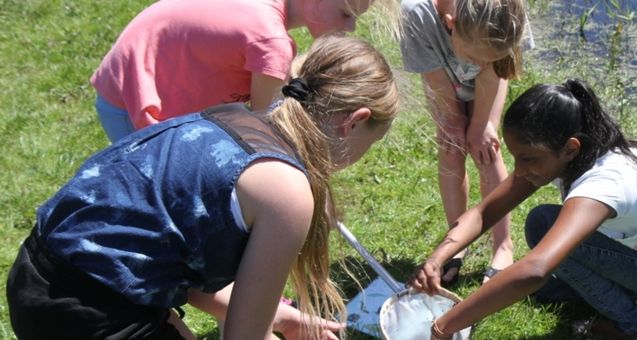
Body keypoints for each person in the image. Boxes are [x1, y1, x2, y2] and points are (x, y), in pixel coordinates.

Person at [7, 35, 399, 340]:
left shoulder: (231, 120)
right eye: (371, 142)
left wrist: (278, 317)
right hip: (89, 311)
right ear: (352, 122)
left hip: (37, 276)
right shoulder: (287, 190)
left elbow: (169, 263)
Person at [410, 79, 637, 339]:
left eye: (528, 158)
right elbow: (483, 212)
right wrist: (439, 258)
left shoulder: (603, 185)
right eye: (515, 157)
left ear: (571, 148)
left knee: (549, 237)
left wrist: (444, 326)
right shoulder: (588, 149)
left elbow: (535, 269)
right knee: (543, 233)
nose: (519, 170)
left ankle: (635, 328)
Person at [90, 0, 385, 143]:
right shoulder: (271, 41)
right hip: (135, 100)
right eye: (346, 14)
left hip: (131, 78)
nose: (350, 27)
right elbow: (265, 131)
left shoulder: (266, 16)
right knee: (164, 195)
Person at [400, 0, 534, 285]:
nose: (479, 64)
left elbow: (492, 69)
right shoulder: (417, 15)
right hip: (442, 80)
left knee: (486, 148)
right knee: (451, 149)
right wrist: (453, 124)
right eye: (475, 56)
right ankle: (456, 244)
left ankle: (503, 246)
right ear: (451, 24)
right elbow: (435, 77)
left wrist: (480, 125)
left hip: (491, 81)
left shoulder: (502, 15)